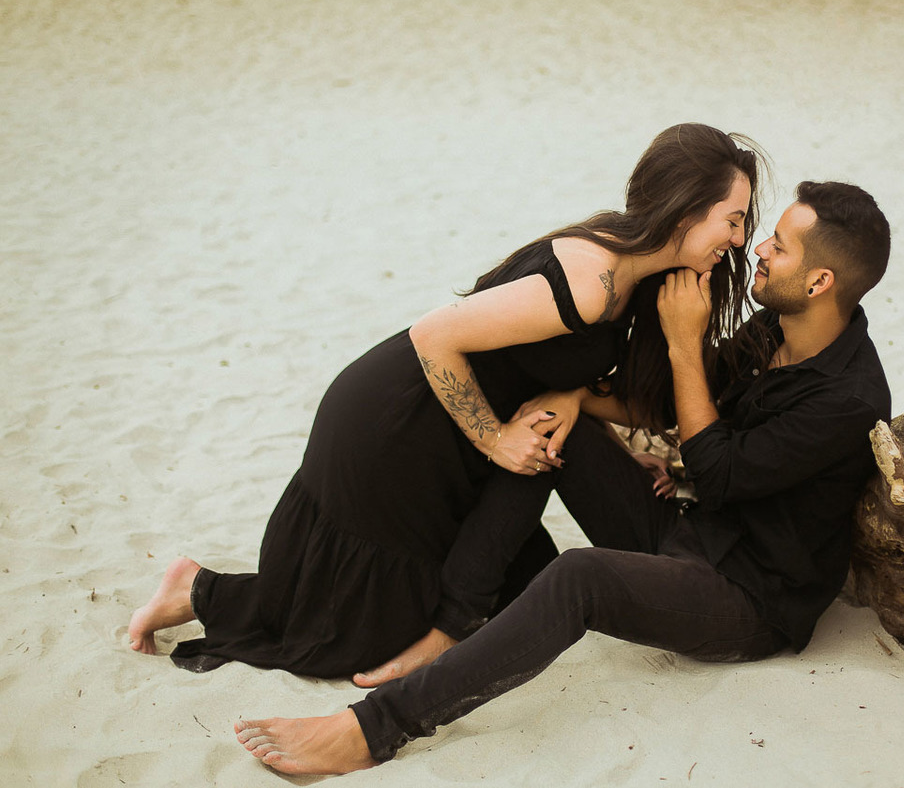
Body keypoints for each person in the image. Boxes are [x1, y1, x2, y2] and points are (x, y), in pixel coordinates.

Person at [232, 180, 894, 775]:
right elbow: (680, 411)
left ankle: (375, 727)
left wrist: (684, 342)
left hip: (748, 596)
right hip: (689, 527)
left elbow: (717, 468)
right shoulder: (775, 324)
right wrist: (576, 400)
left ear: (819, 282)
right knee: (553, 420)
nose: (758, 250)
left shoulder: (850, 397)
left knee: (580, 576)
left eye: (778, 245)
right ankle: (454, 620)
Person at [127, 123, 764, 680]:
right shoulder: (592, 280)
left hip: (453, 436)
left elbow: (613, 390)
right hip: (401, 424)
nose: (738, 239)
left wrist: (572, 393)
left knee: (496, 600)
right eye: (731, 219)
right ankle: (196, 588)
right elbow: (433, 335)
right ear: (685, 213)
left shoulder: (641, 279)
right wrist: (493, 437)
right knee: (366, 635)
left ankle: (196, 588)